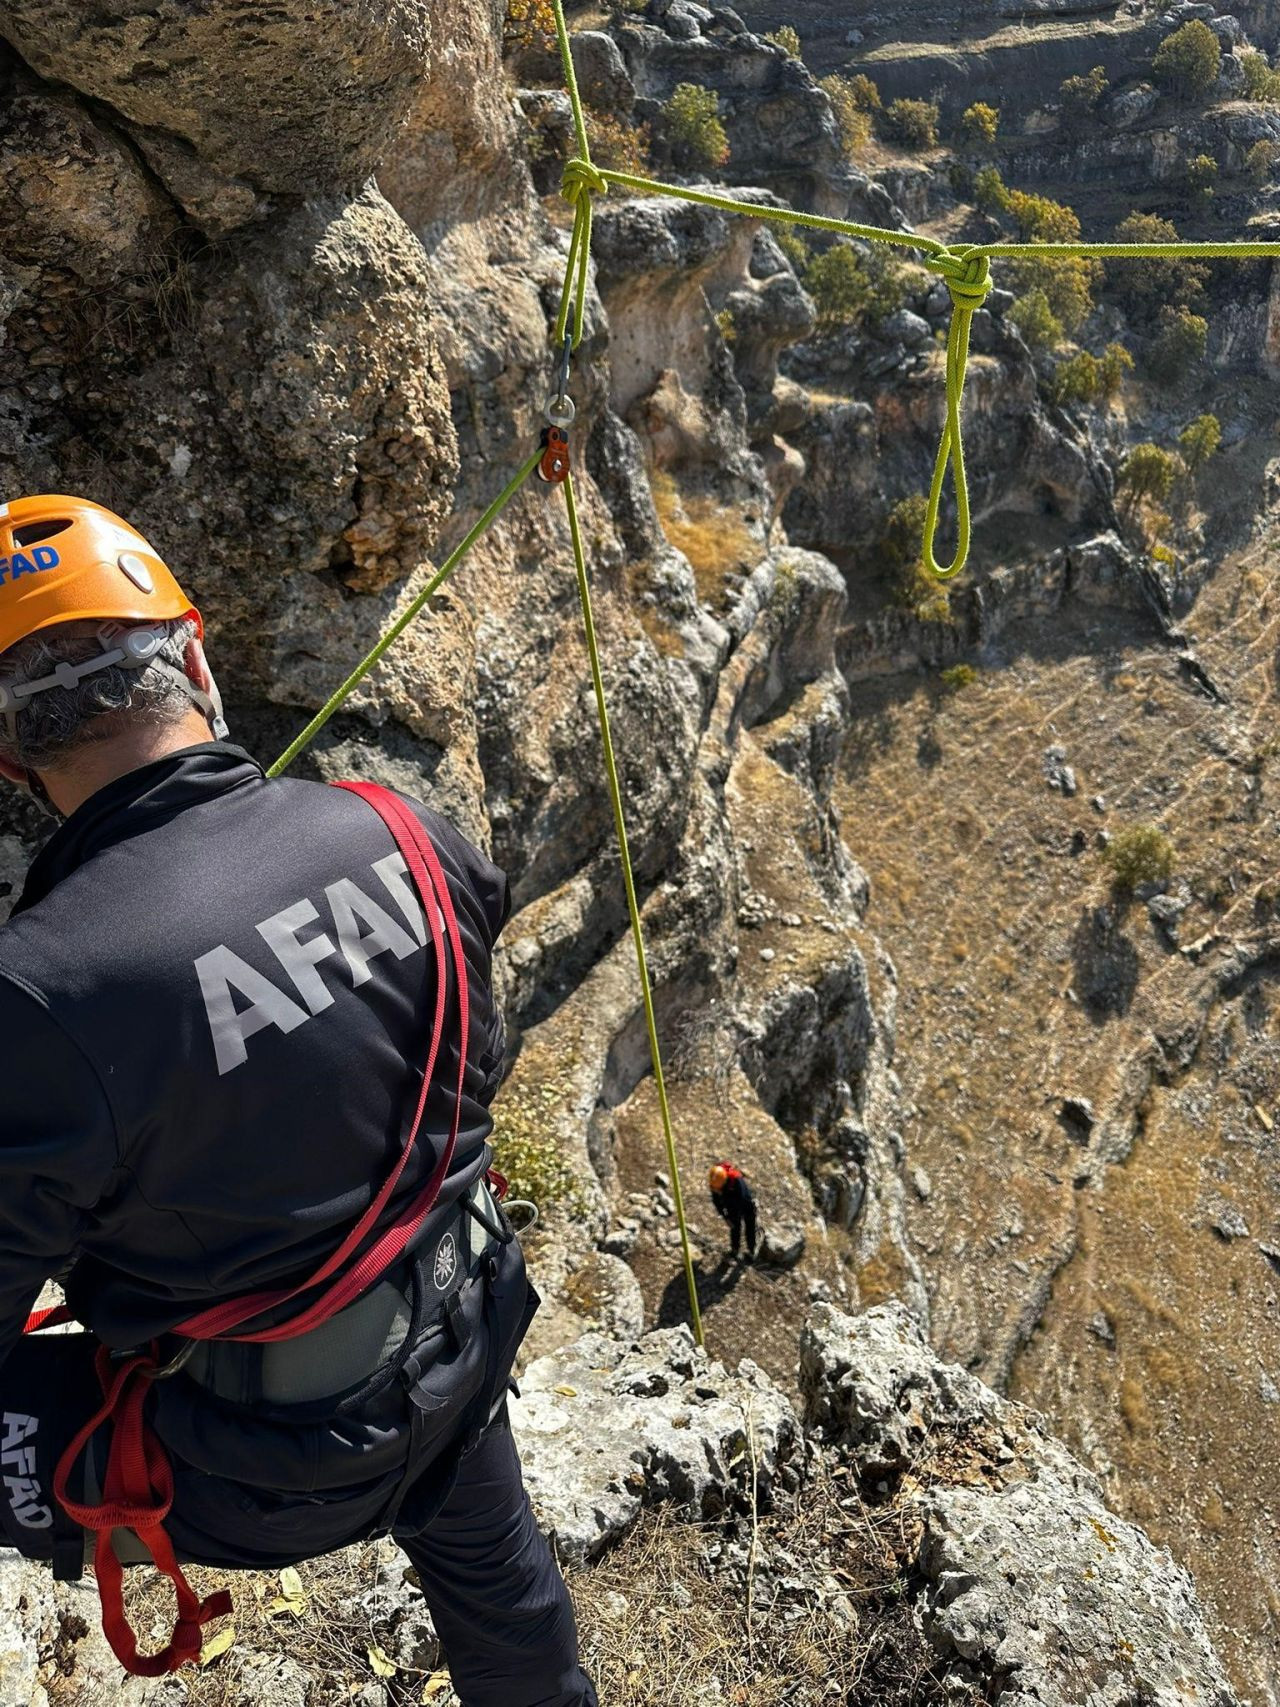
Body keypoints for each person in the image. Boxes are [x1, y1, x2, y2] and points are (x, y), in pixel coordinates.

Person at [0, 494, 597, 1705]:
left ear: (9, 759)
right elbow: (457, 1075)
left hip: (253, 1473)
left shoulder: (41, 996)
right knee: (505, 1594)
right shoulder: (406, 832)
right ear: (197, 660)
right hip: (463, 1345)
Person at [708, 1163, 757, 1261]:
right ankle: (735, 1250)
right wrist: (725, 1217)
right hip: (732, 1208)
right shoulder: (715, 1183)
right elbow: (717, 1202)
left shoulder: (736, 1181)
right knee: (735, 1228)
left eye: (718, 1189)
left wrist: (724, 1196)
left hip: (746, 1204)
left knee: (750, 1227)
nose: (716, 1190)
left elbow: (741, 1199)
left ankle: (751, 1251)